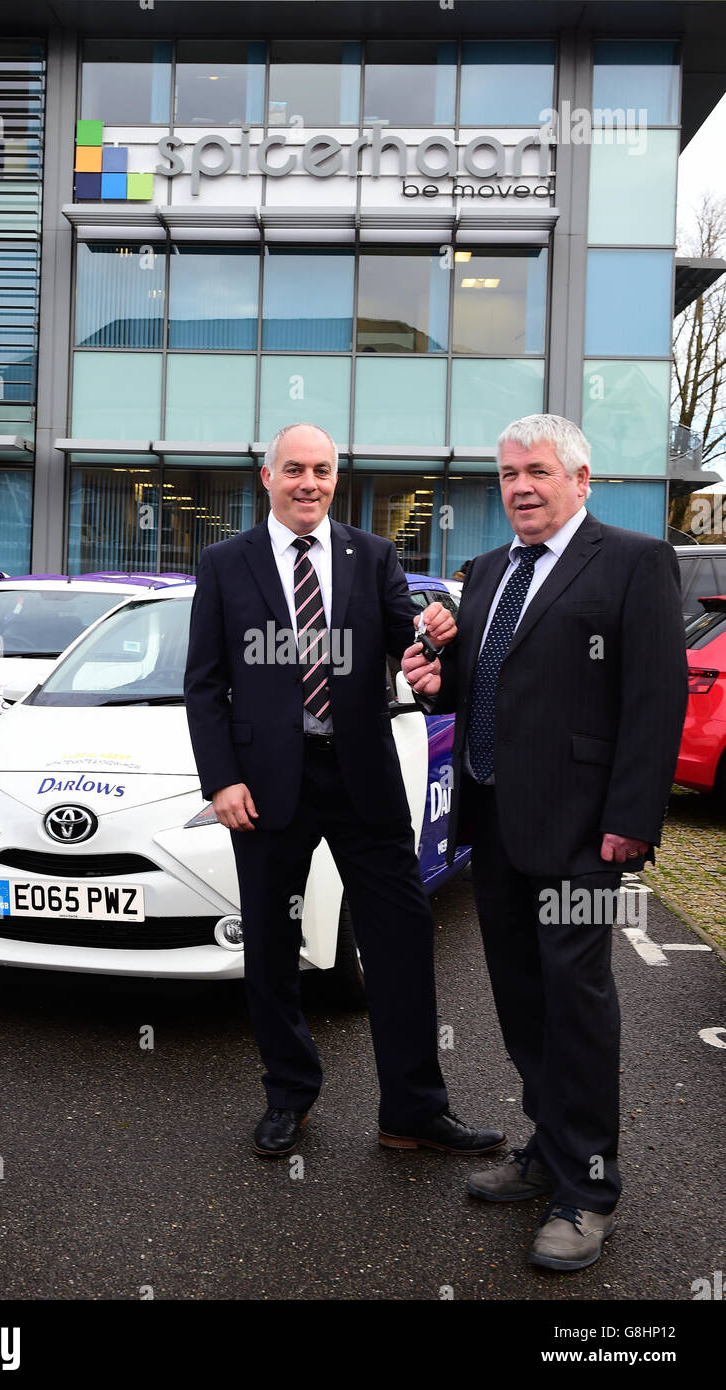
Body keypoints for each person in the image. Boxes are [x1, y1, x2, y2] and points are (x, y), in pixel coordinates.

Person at [403, 414, 687, 1271]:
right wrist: (430, 682)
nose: (519, 486)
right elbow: (476, 683)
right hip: (492, 828)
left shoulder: (633, 562)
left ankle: (586, 1189)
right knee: (521, 1001)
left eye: (535, 470)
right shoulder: (486, 571)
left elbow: (653, 699)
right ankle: (545, 1148)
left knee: (576, 1007)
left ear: (580, 478)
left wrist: (630, 821)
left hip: (580, 834)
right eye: (506, 474)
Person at [184, 422, 505, 1160]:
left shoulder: (373, 555)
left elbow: (410, 648)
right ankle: (287, 1095)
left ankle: (413, 1112)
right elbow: (204, 686)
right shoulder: (226, 562)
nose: (309, 483)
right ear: (266, 477)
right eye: (294, 468)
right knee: (270, 947)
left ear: (336, 477)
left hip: (362, 776)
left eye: (322, 470)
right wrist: (221, 779)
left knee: (399, 942)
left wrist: (435, 634)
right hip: (264, 787)